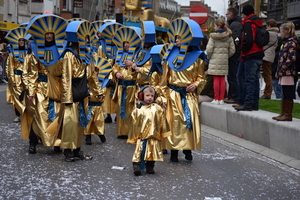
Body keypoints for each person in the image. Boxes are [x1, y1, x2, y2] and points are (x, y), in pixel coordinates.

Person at [161, 18, 206, 162]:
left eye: (180, 38)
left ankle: (187, 150)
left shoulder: (197, 58)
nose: (177, 40)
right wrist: (163, 97)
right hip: (173, 95)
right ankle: (174, 152)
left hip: (188, 95)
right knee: (173, 123)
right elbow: (164, 80)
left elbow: (202, 77)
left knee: (188, 123)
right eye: (176, 38)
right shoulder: (169, 57)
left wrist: (196, 85)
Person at [56, 20, 94, 162]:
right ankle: (67, 151)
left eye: (87, 37)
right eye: (84, 37)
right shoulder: (69, 55)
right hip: (72, 95)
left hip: (82, 94)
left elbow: (90, 75)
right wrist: (67, 99)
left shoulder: (85, 55)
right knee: (70, 124)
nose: (86, 40)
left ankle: (77, 149)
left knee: (80, 124)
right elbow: (66, 78)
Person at [131, 86, 171, 176]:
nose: (150, 97)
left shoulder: (157, 108)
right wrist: (136, 109)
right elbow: (134, 120)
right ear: (141, 96)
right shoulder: (139, 108)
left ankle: (150, 166)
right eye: (147, 95)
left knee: (152, 153)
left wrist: (164, 132)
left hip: (153, 136)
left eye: (152, 96)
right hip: (141, 137)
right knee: (139, 152)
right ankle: (137, 165)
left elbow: (163, 120)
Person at [111, 26, 141, 139]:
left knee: (130, 110)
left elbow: (139, 70)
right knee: (120, 108)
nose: (126, 45)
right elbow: (114, 67)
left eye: (128, 43)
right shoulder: (120, 54)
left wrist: (133, 65)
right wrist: (116, 73)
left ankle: (131, 131)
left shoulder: (137, 55)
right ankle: (122, 131)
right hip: (121, 87)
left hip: (132, 88)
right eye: (125, 43)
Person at [235, 5, 264, 111]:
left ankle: (248, 103)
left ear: (244, 13)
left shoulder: (249, 23)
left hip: (250, 54)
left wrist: (241, 48)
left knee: (249, 80)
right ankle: (254, 103)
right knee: (255, 80)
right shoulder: (259, 22)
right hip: (259, 53)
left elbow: (248, 40)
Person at [272, 22, 298, 121]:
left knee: (288, 92)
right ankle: (284, 112)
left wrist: (283, 66)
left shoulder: (291, 43)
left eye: (281, 32)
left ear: (286, 32)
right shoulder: (286, 42)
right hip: (284, 72)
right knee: (284, 92)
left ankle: (287, 113)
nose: (280, 34)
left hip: (288, 72)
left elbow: (292, 57)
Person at [206, 19, 235, 105]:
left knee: (216, 80)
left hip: (214, 60)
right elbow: (232, 50)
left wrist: (211, 56)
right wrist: (226, 56)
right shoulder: (229, 36)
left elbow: (209, 50)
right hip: (224, 60)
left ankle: (216, 98)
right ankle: (221, 99)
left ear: (218, 26)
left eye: (215, 26)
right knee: (222, 79)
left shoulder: (213, 37)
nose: (214, 27)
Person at [225, 7, 243, 104]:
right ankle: (231, 95)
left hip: (234, 55)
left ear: (231, 15)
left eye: (227, 14)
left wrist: (231, 52)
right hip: (235, 55)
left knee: (233, 76)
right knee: (232, 76)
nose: (226, 16)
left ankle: (234, 96)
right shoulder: (236, 23)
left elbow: (234, 41)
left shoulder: (235, 25)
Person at [261, 19, 279, 99]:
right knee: (267, 74)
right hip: (270, 55)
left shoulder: (268, 33)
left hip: (266, 56)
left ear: (269, 26)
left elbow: (263, 43)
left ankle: (267, 93)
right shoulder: (275, 33)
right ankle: (267, 92)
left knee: (267, 75)